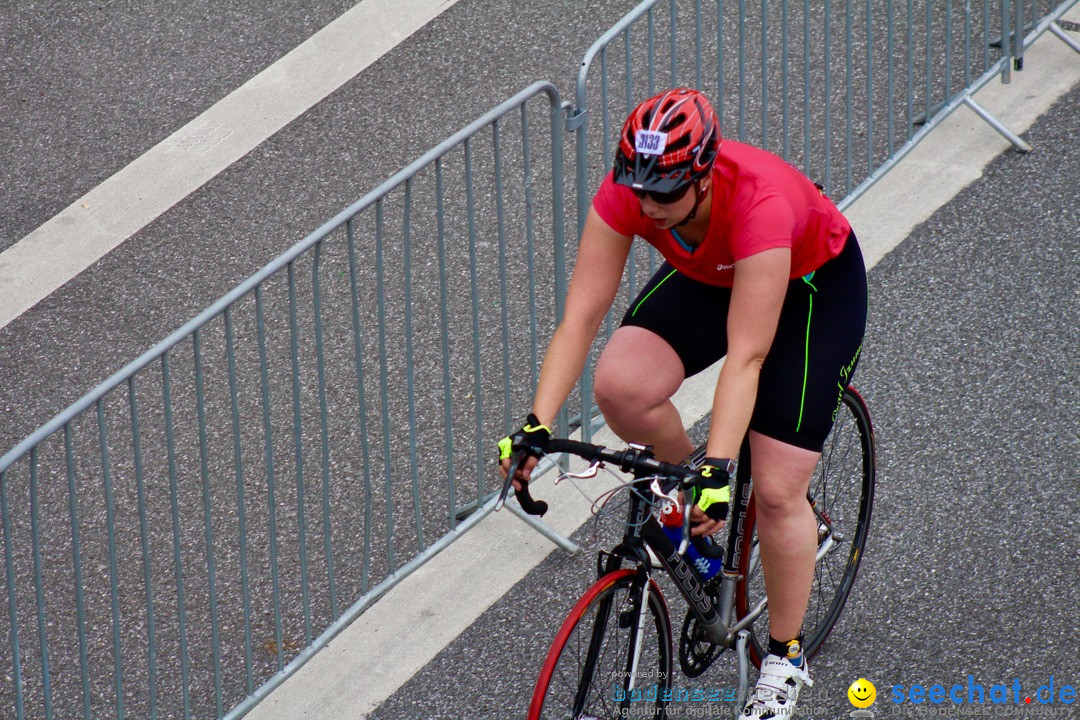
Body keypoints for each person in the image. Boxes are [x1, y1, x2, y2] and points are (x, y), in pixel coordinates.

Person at [499, 87, 867, 717]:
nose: (648, 205)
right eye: (638, 189)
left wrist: (721, 466)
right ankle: (698, 510)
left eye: (665, 193)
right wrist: (535, 425)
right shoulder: (638, 194)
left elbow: (747, 357)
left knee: (776, 490)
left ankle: (784, 659)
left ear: (703, 174)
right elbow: (580, 317)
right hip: (716, 275)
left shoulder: (758, 201)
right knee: (622, 387)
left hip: (812, 288)